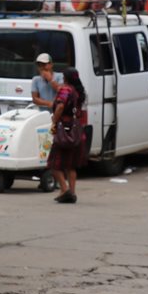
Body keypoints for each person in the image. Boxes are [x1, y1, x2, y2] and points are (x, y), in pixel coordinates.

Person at [48, 68, 87, 204]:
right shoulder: (79, 92)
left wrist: (54, 122)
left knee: (54, 164)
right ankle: (72, 192)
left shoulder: (65, 90)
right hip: (76, 131)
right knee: (71, 165)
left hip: (64, 130)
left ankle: (65, 190)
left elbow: (60, 107)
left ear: (66, 78)